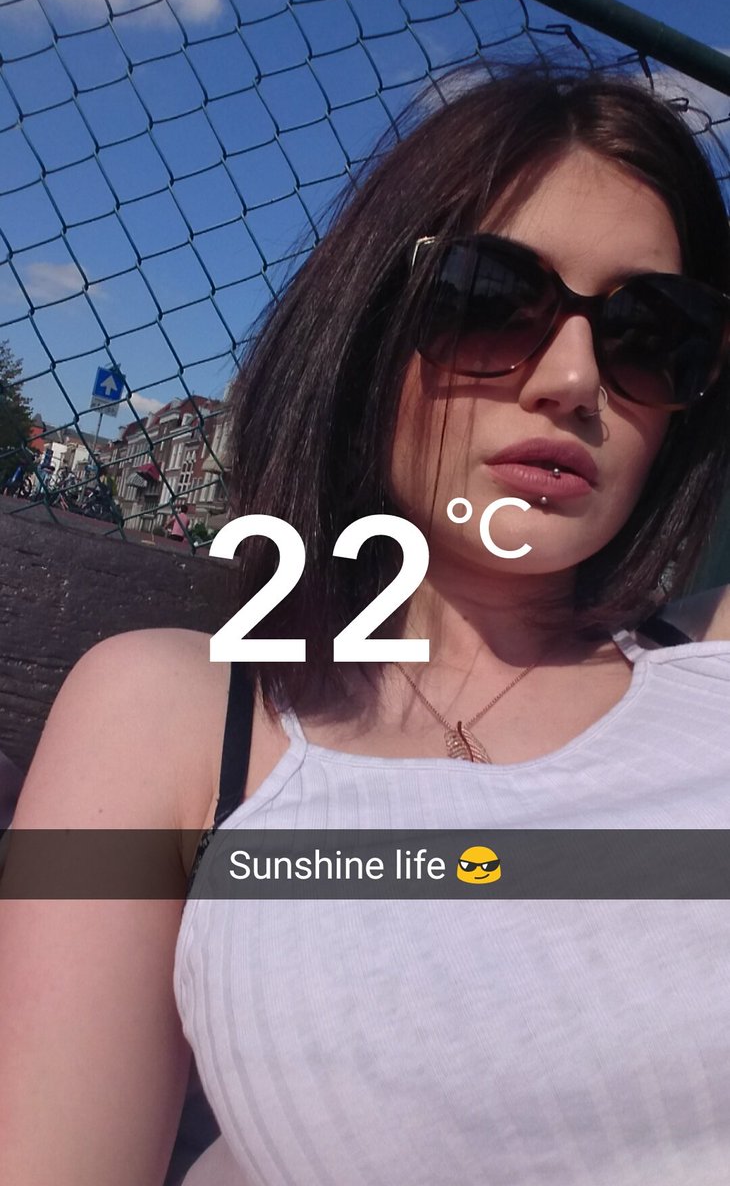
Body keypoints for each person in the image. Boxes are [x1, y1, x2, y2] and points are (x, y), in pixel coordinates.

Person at [2, 61, 730, 1186]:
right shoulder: (180, 714)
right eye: (489, 298)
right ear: (364, 327)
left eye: (652, 333)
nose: (574, 378)